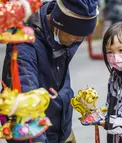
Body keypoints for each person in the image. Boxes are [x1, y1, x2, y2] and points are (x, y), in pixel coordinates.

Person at [1, 0, 99, 142]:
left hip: (63, 128)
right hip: (36, 133)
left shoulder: (67, 31)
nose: (77, 40)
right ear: (58, 23)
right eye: (74, 35)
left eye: (81, 37)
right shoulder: (24, 47)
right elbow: (26, 109)